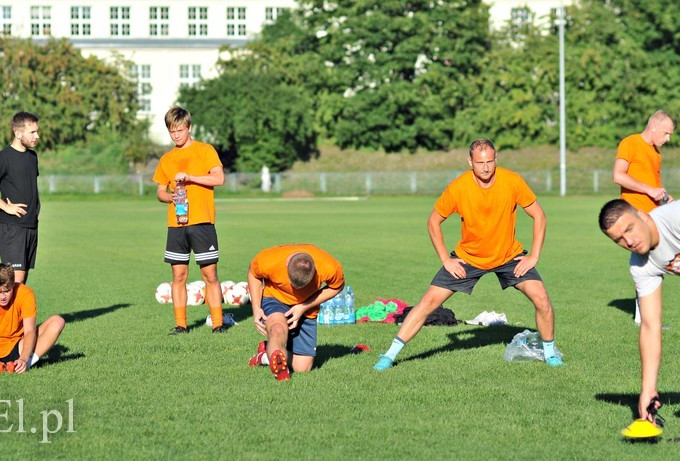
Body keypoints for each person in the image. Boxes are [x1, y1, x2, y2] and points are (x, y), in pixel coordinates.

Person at [373, 139, 564, 371]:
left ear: (496, 159)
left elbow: (540, 216)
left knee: (542, 299)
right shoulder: (458, 187)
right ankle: (389, 356)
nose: (485, 167)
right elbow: (433, 221)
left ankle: (550, 354)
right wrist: (445, 259)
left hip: (508, 257)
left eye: (490, 161)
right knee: (427, 303)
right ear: (470, 161)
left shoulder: (512, 181)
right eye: (480, 162)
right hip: (468, 259)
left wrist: (533, 256)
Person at [598, 198, 680, 424]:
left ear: (643, 215)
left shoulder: (675, 218)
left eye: (630, 229)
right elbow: (650, 325)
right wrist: (648, 389)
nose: (629, 241)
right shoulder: (641, 265)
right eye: (619, 240)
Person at [152, 105, 226, 334]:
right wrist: (170, 196)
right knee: (178, 275)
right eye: (172, 131)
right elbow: (160, 192)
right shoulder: (167, 158)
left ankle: (218, 324)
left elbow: (219, 178)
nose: (176, 135)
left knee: (209, 274)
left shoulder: (205, 150)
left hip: (202, 221)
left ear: (189, 127)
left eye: (180, 130)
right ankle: (181, 325)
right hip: (177, 224)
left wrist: (190, 177)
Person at [247, 244, 345, 381]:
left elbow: (337, 286)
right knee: (277, 328)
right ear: (287, 264)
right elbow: (253, 274)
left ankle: (265, 354)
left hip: (307, 306)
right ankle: (282, 375)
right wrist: (256, 308)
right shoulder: (268, 259)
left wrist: (303, 306)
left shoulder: (329, 267)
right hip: (275, 298)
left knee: (302, 368)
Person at [613, 110, 675, 324]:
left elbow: (653, 186)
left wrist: (664, 198)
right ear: (654, 127)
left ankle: (644, 317)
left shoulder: (656, 153)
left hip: (654, 216)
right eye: (666, 133)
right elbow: (618, 175)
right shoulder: (630, 142)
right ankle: (645, 318)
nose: (668, 139)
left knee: (654, 263)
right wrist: (649, 190)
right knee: (647, 263)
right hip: (636, 215)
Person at [0, 111, 41, 285]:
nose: (37, 136)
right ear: (18, 133)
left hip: (30, 226)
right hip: (12, 227)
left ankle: (14, 313)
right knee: (15, 282)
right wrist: (6, 207)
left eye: (37, 131)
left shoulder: (32, 157)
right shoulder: (2, 158)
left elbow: (29, 186)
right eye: (32, 132)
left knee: (21, 281)